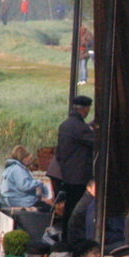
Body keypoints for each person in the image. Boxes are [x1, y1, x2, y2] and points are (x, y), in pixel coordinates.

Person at [52, 95, 96, 230]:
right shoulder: (80, 127)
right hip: (80, 177)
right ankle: (73, 236)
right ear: (85, 109)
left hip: (68, 175)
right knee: (78, 210)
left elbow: (59, 153)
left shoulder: (65, 125)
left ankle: (66, 235)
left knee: (69, 208)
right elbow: (96, 141)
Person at [0, 145, 47, 211]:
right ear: (23, 157)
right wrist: (39, 182)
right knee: (49, 209)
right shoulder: (18, 169)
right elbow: (24, 186)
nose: (30, 161)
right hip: (19, 201)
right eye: (29, 158)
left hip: (10, 200)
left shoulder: (10, 168)